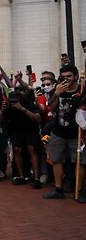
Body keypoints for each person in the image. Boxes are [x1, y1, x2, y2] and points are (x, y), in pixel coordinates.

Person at [43, 65, 86, 202]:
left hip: (76, 132)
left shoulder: (82, 90)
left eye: (69, 76)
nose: (67, 79)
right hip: (59, 131)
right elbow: (50, 107)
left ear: (75, 76)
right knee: (56, 160)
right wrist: (57, 93)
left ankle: (78, 191)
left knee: (80, 162)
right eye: (63, 77)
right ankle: (58, 189)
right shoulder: (57, 90)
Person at [0, 90, 42, 189]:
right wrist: (2, 110)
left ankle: (36, 178)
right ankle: (21, 176)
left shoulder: (27, 103)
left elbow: (38, 119)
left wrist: (22, 109)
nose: (14, 103)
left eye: (15, 101)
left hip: (30, 127)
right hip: (16, 128)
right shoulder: (8, 105)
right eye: (12, 101)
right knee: (17, 150)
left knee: (31, 149)